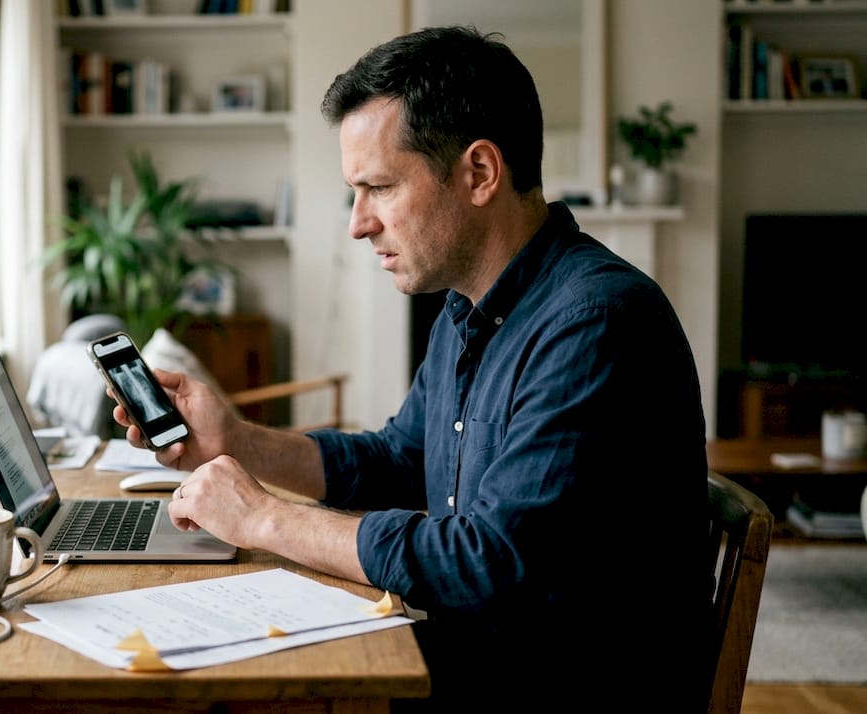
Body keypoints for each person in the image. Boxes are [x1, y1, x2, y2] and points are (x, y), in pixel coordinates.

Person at [112, 26, 703, 711]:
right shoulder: (467, 308)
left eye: (380, 188)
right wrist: (237, 442)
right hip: (465, 659)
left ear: (479, 173)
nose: (359, 223)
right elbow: (400, 460)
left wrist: (264, 520)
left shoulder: (595, 321)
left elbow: (489, 563)